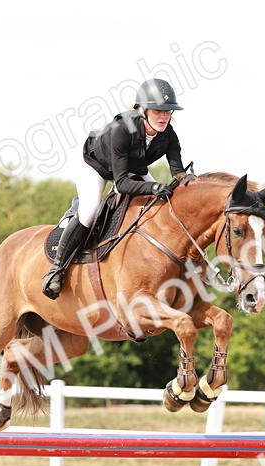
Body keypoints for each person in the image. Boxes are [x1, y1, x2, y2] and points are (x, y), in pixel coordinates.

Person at [42, 77, 190, 300]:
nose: (164, 117)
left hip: (133, 167)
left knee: (160, 203)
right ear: (143, 111)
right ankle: (57, 269)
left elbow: (178, 173)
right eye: (158, 111)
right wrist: (154, 186)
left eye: (168, 112)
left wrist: (189, 182)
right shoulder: (122, 129)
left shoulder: (169, 135)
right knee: (90, 209)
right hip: (97, 167)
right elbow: (121, 184)